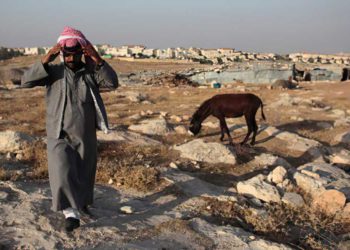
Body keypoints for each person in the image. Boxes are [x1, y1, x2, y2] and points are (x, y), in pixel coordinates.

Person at [21, 27, 118, 232]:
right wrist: (47, 58)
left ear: (82, 52)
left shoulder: (90, 73)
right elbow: (26, 81)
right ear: (61, 53)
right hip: (58, 132)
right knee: (61, 169)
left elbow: (112, 82)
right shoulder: (53, 72)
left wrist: (98, 58)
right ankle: (70, 213)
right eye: (66, 53)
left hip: (84, 133)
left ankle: (80, 204)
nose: (70, 57)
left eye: (74, 53)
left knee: (83, 171)